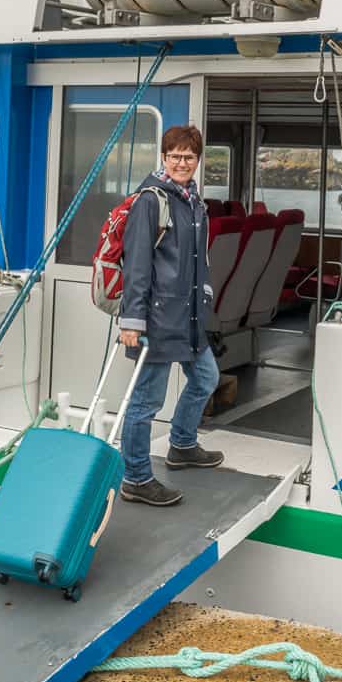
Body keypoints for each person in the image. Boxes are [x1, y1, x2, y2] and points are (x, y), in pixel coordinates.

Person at [118, 124, 224, 507]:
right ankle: (136, 477)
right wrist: (132, 320)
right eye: (175, 155)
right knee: (146, 403)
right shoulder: (152, 200)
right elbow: (137, 263)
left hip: (190, 316)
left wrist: (206, 291)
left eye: (189, 157)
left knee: (207, 377)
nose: (182, 162)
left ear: (197, 162)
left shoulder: (193, 200)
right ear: (164, 158)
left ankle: (181, 444)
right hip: (158, 318)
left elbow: (198, 259)